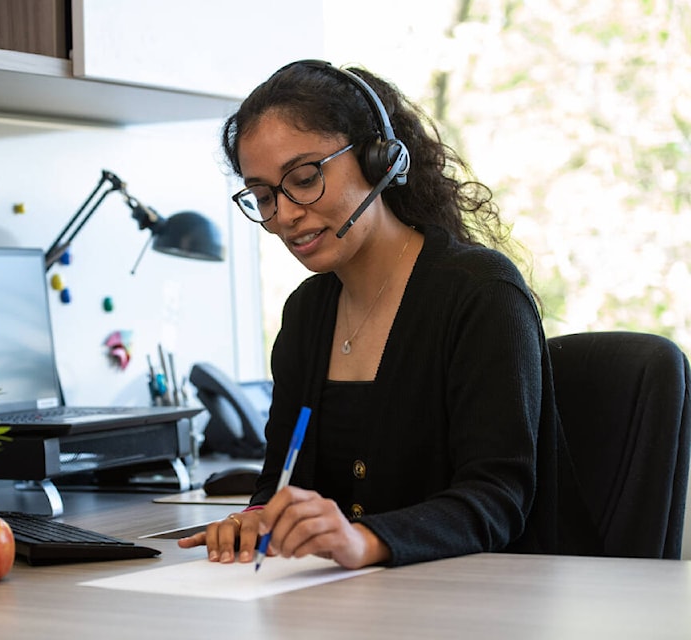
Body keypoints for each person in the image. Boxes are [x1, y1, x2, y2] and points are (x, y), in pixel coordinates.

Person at [178, 60, 593, 569]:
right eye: (263, 196)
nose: (284, 215)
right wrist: (257, 517)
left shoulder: (480, 293)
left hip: (481, 603)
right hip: (348, 603)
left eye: (304, 179)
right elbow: (279, 481)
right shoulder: (306, 314)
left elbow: (496, 500)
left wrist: (362, 541)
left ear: (379, 160)